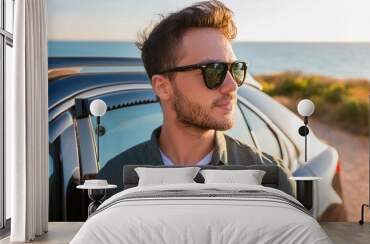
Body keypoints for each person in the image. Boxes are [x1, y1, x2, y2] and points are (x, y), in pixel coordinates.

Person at [98, 0, 294, 196]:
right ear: (163, 87)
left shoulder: (271, 181)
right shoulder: (112, 181)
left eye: (235, 69)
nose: (232, 85)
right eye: (213, 71)